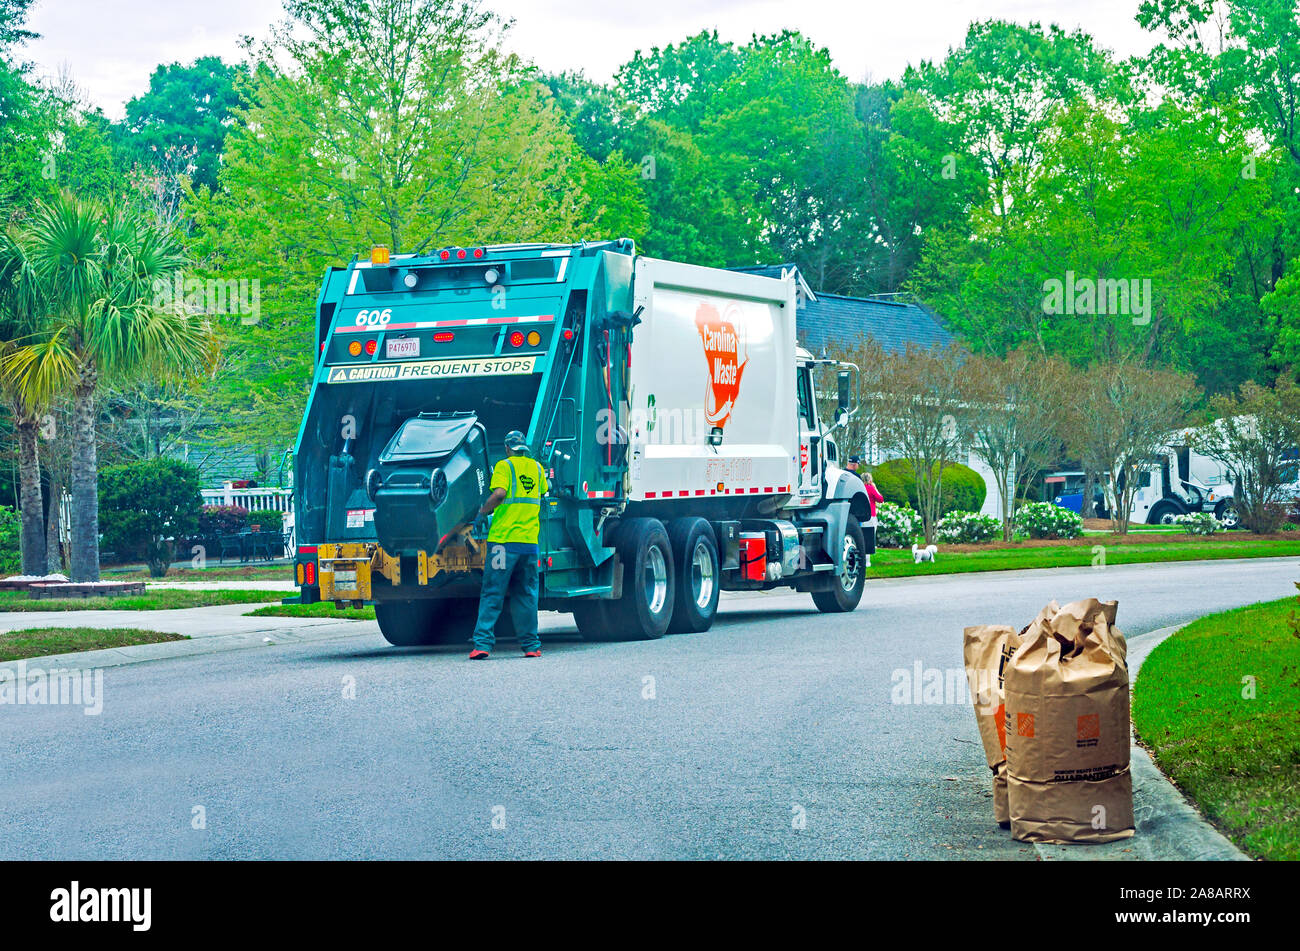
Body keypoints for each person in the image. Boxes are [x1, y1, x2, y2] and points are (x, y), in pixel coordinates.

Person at [468, 430, 549, 660]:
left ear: (507, 448)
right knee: (526, 594)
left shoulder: (504, 466)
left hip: (503, 545)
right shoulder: (536, 468)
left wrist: (483, 512)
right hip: (528, 545)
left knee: (493, 591)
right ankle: (531, 646)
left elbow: (500, 493)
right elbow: (543, 491)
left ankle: (482, 644)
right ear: (523, 447)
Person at [862, 470, 884, 568]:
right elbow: (880, 499)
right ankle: (867, 561)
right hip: (871, 516)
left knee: (861, 538)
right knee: (869, 539)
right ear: (870, 480)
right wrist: (875, 488)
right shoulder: (870, 488)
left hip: (861, 516)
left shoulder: (860, 488)